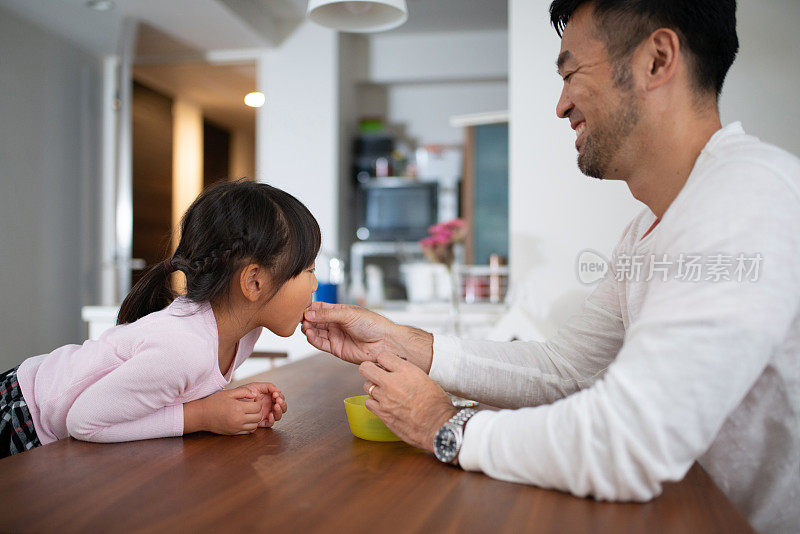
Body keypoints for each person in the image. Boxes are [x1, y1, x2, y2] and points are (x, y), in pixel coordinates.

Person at [302, 1, 800, 532]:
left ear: (657, 60)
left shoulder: (745, 196)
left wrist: (443, 426)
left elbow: (628, 440)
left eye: (571, 74)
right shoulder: (647, 229)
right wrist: (406, 344)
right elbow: (568, 371)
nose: (561, 106)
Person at [1, 180, 320, 458]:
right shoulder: (183, 349)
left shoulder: (244, 334)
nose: (315, 283)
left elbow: (176, 393)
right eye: (308, 270)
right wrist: (202, 416)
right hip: (24, 414)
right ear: (253, 283)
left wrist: (230, 406)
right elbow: (83, 422)